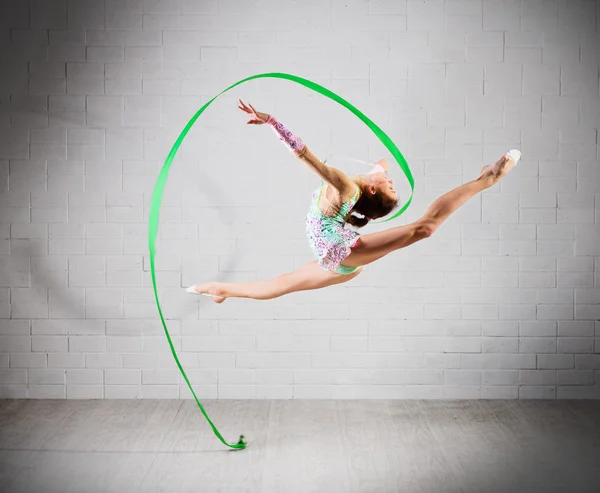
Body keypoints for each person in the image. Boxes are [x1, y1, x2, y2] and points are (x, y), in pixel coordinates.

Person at [187, 99, 521, 303]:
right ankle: (222, 290)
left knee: (425, 228)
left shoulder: (348, 186)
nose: (389, 180)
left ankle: (486, 178)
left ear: (374, 192)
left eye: (389, 186)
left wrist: (272, 122)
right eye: (390, 184)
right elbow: (380, 165)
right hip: (340, 260)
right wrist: (387, 163)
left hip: (341, 251)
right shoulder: (360, 186)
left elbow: (306, 156)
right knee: (280, 285)